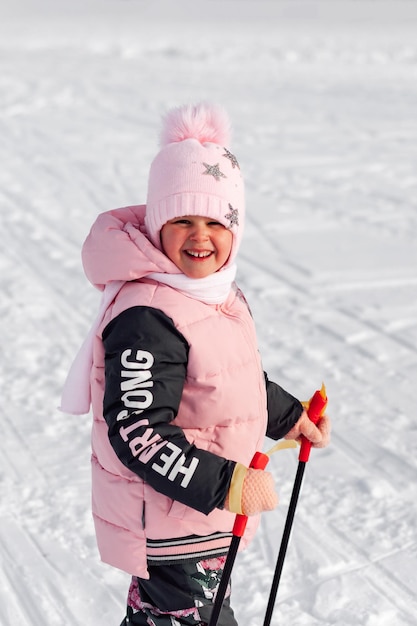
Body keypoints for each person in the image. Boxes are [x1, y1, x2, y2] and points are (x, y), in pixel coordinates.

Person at [61, 103, 330, 625]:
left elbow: (226, 382)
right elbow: (138, 431)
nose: (200, 236)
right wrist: (225, 482)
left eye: (215, 221)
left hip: (198, 520)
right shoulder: (147, 314)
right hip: (172, 528)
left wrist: (288, 414)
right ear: (158, 225)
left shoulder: (210, 295)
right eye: (181, 220)